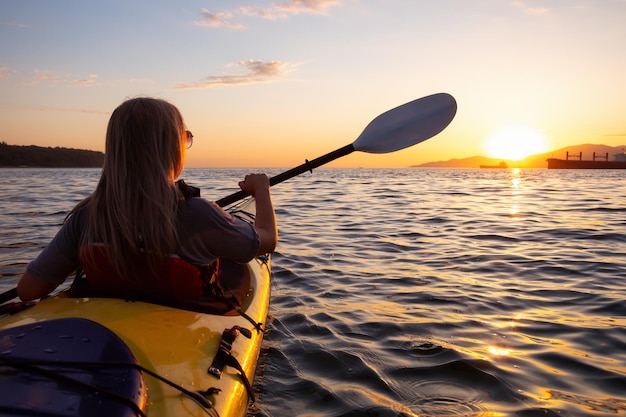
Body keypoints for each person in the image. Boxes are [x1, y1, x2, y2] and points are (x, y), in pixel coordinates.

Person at [17, 97, 277, 306]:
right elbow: (266, 240)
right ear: (170, 148)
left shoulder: (87, 217)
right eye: (184, 137)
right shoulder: (199, 215)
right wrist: (261, 189)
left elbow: (28, 290)